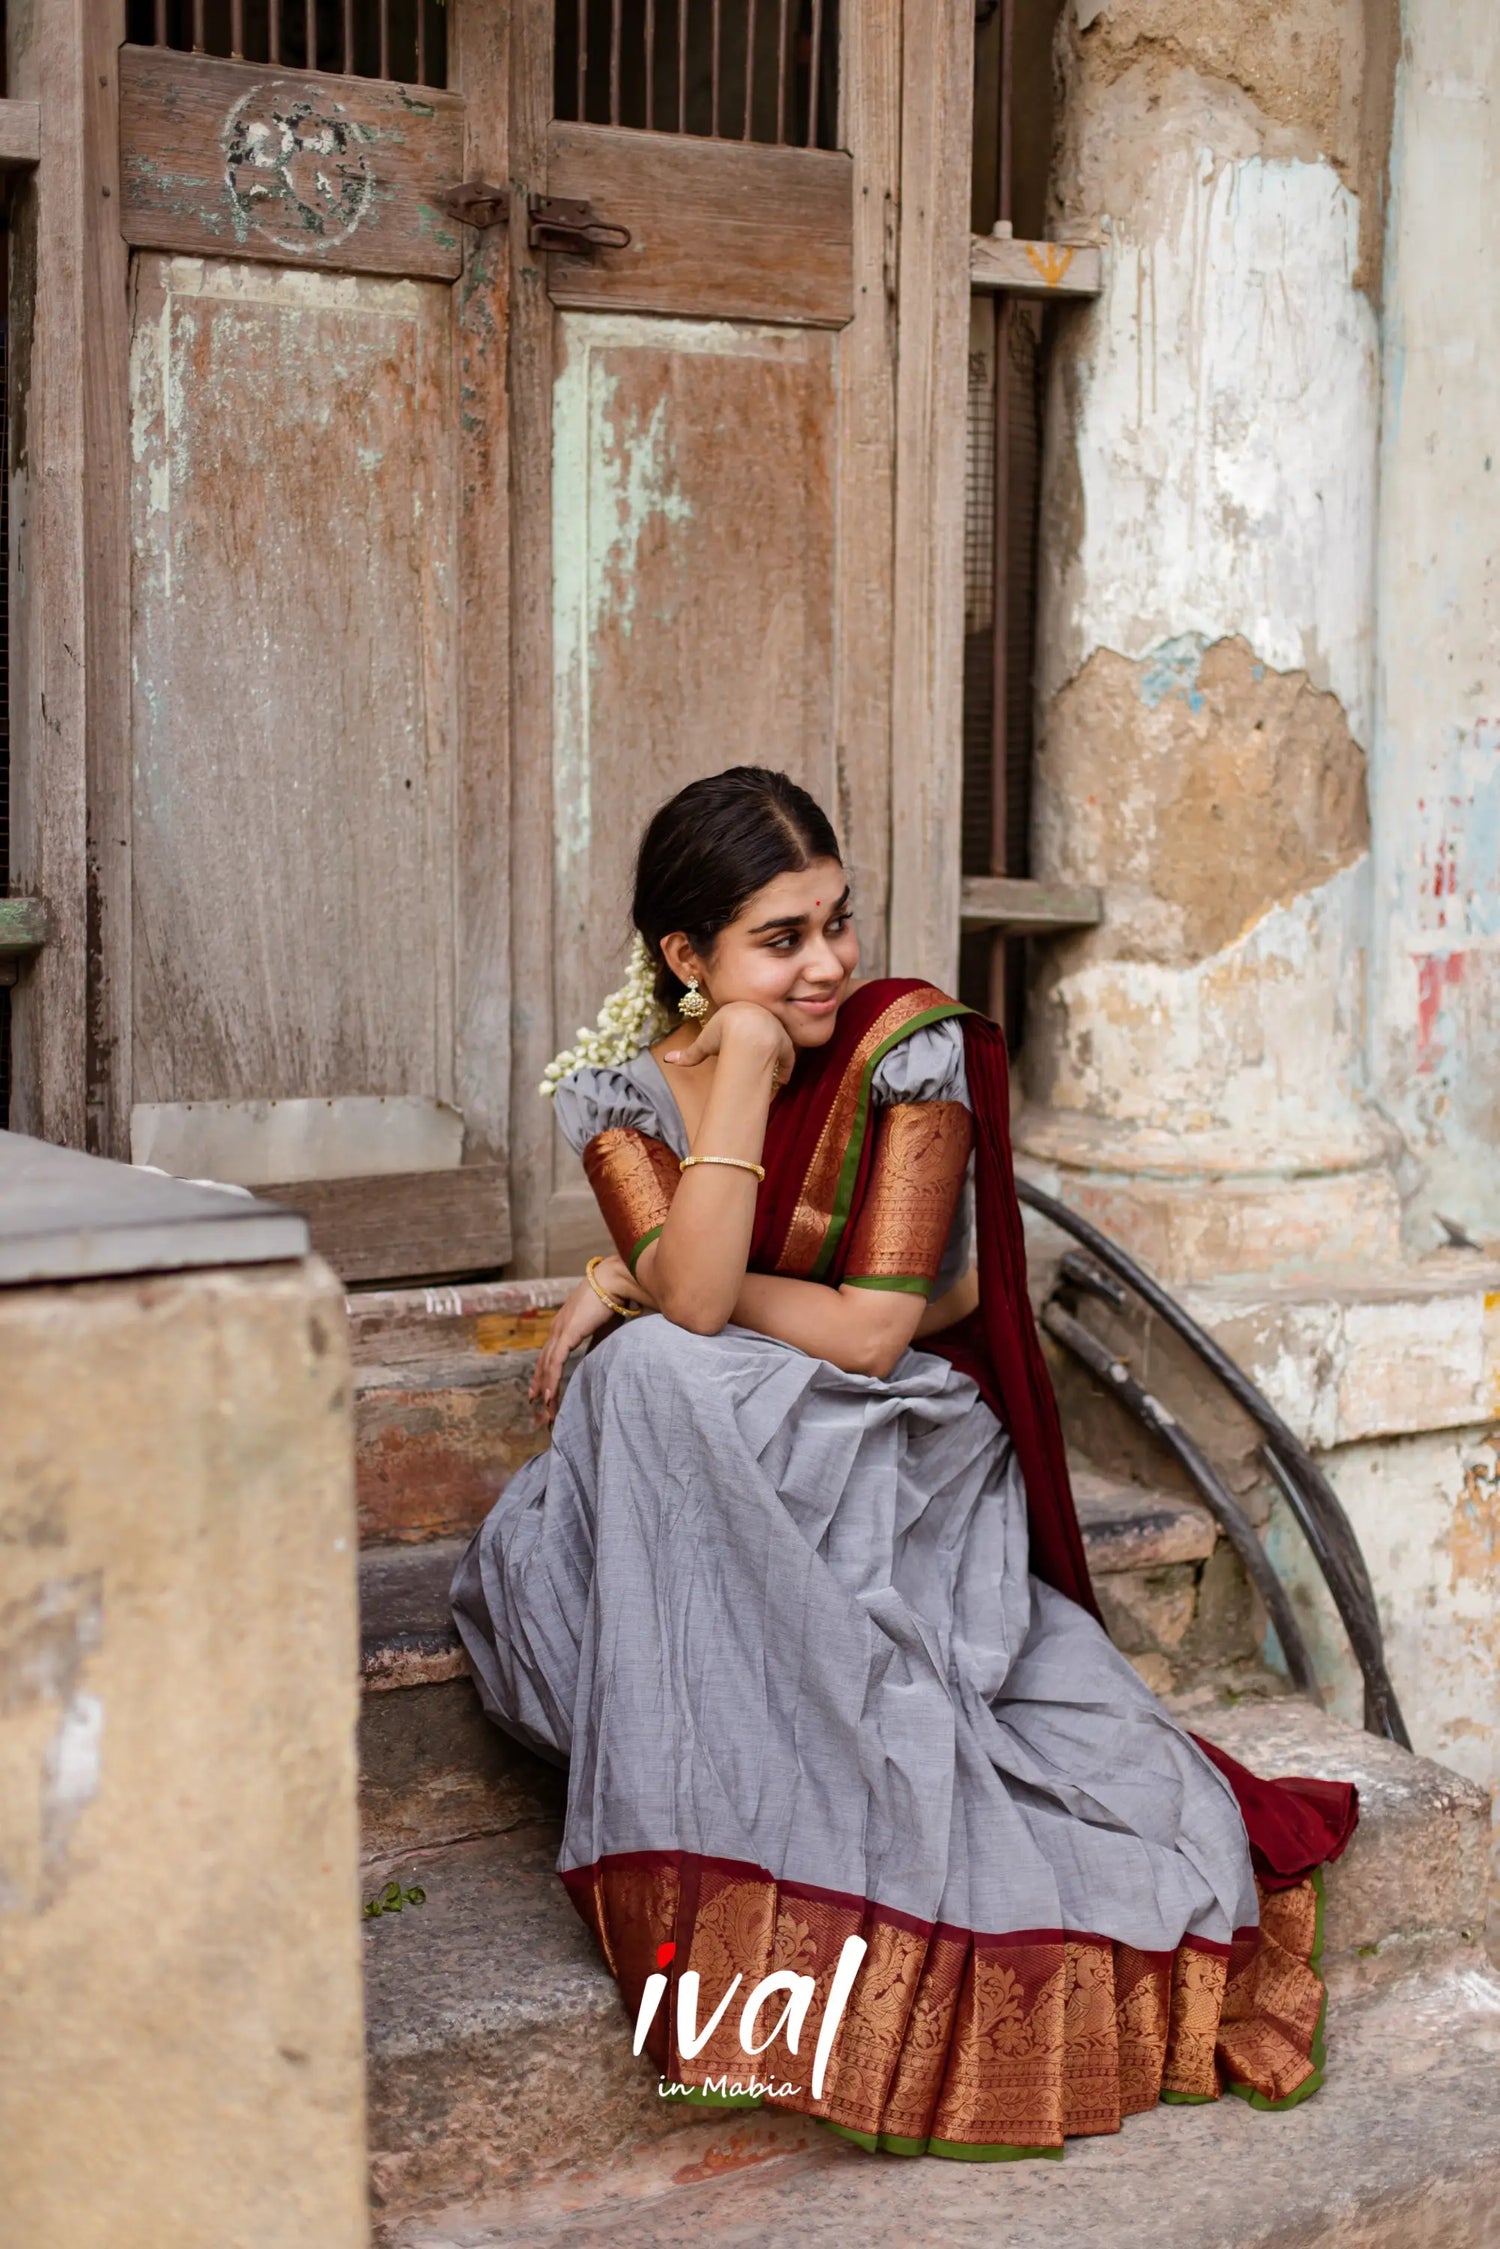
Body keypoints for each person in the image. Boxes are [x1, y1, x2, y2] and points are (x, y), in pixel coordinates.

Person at [452, 766, 1356, 2161]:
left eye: (836, 920)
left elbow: (881, 1326)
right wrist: (726, 1106)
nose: (826, 963)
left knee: (647, 1365)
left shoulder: (901, 1052)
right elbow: (699, 1305)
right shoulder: (624, 1097)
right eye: (779, 939)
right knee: (645, 1387)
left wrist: (640, 1276)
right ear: (686, 961)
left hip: (895, 1447)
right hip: (737, 1428)